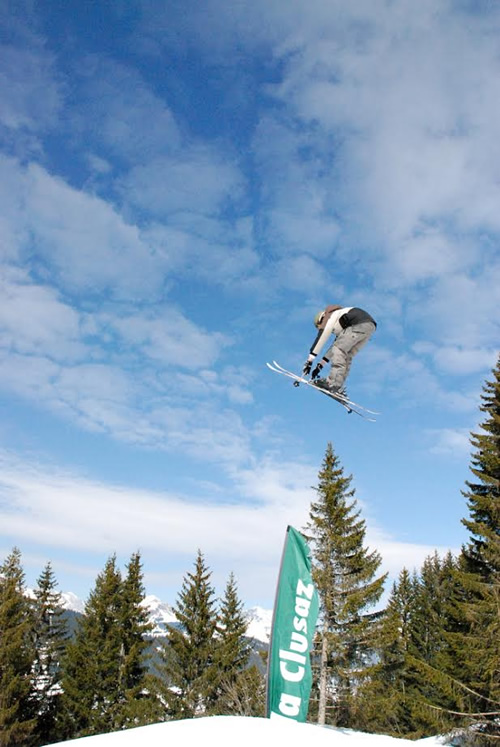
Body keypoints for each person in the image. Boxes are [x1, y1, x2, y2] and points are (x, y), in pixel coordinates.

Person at [302, 304, 376, 396]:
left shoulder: (330, 316)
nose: (332, 332)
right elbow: (334, 346)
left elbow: (322, 337)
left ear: (321, 320)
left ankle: (332, 384)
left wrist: (309, 361)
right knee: (346, 355)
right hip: (369, 327)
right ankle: (339, 387)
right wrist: (319, 366)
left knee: (339, 350)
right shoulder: (341, 319)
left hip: (358, 324)